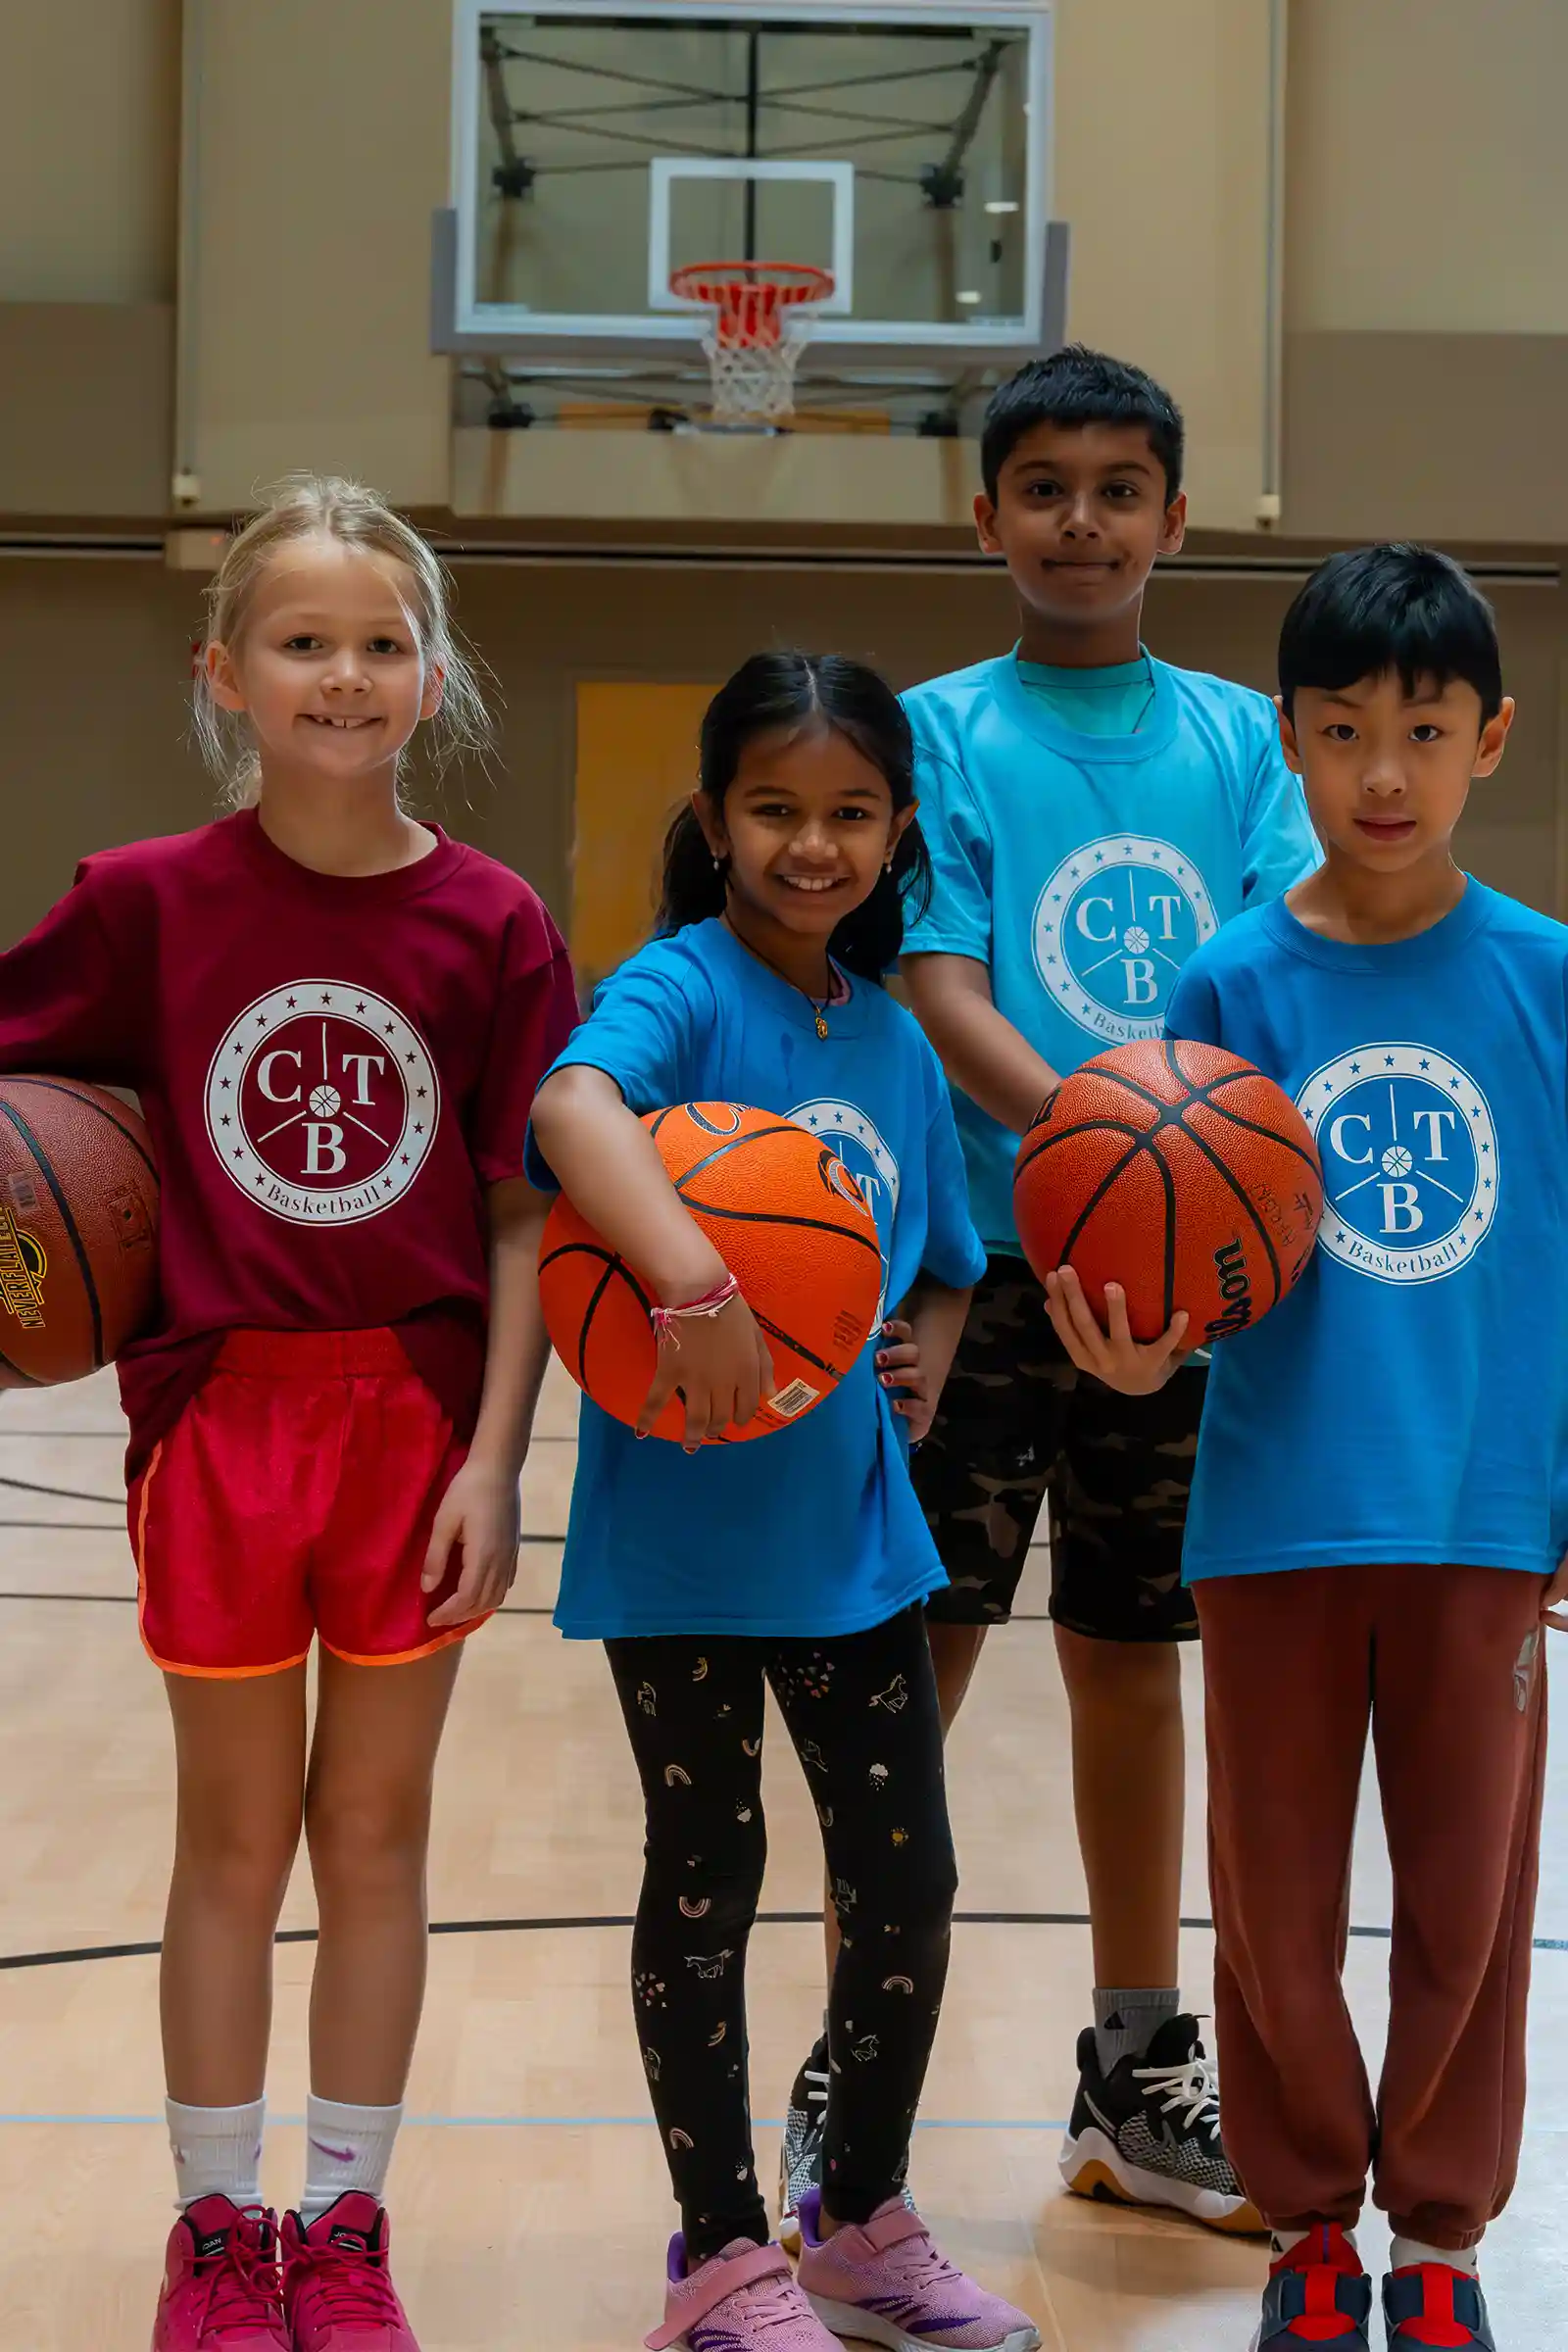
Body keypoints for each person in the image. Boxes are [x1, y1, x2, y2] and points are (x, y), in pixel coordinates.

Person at [0, 477, 577, 2352]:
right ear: (225, 673)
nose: (344, 674)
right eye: (302, 641)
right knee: (233, 1845)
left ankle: (341, 2225)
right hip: (222, 1420)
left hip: (414, 1421)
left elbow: (517, 1206)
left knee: (381, 1837)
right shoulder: (143, 905)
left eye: (381, 643)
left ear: (433, 679)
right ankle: (208, 2229)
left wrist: (498, 1457)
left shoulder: (493, 926)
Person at [775, 346, 1317, 2236]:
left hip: (1181, 1300)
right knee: (907, 1678)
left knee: (1131, 1660)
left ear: (1175, 518)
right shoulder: (928, 737)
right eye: (1046, 486)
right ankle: (860, 2063)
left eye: (1118, 488)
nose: (1081, 519)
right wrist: (1119, 1148)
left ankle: (1131, 2061)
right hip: (983, 1277)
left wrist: (1192, 1193)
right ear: (983, 512)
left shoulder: (1250, 743)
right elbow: (942, 989)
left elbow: (1276, 989)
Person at [1046, 542, 1561, 2350]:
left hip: (1485, 1520)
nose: (1386, 776)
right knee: (1272, 1907)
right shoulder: (1229, 984)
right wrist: (1132, 1357)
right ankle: (1306, 2234)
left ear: (1492, 738)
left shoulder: (1549, 983)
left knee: (1469, 1909)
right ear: (1289, 742)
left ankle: (1438, 2245)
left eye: (1424, 732)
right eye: (1344, 734)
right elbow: (1171, 1255)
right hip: (1269, 1515)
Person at [527, 652, 1040, 2352]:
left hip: (853, 1542)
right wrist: (690, 1272)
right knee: (707, 1881)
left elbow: (951, 1260)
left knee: (907, 1890)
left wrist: (930, 1366)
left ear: (898, 833)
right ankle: (719, 2257)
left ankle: (861, 2217)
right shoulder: (675, 993)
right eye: (774, 811)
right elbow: (567, 1107)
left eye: (848, 815)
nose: (811, 846)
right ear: (713, 820)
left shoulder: (895, 1041)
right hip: (680, 1539)